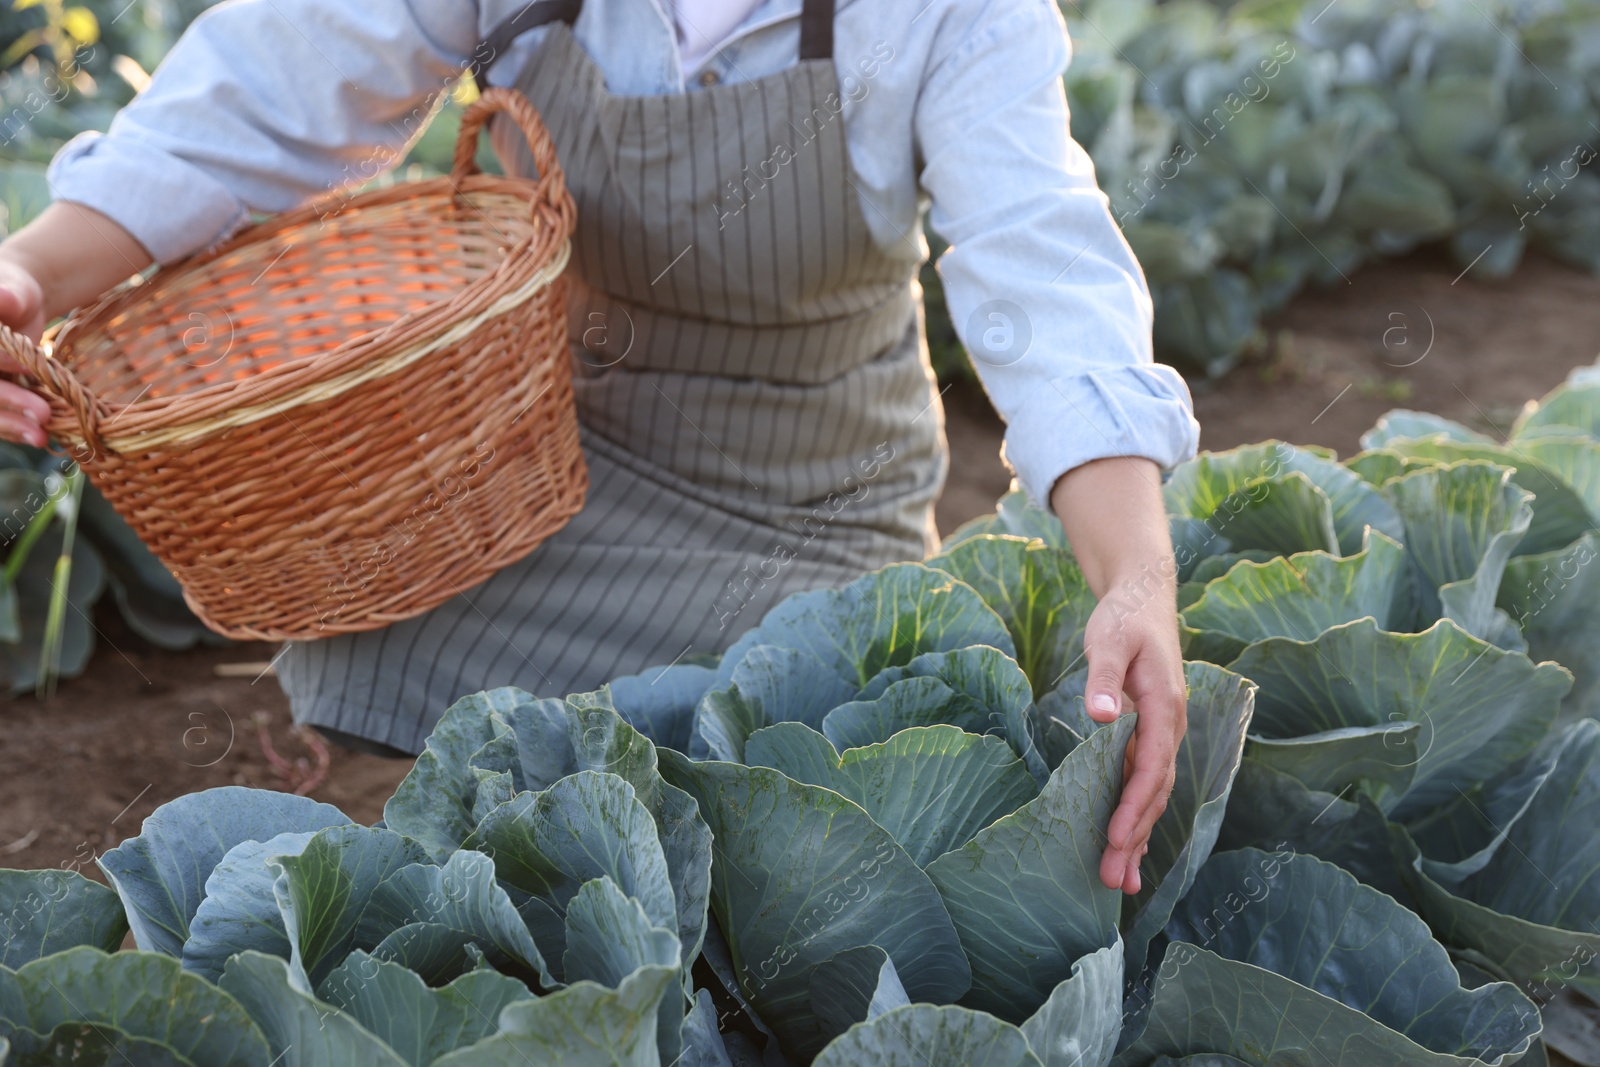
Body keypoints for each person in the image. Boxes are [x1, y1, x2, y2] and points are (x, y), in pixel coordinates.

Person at [0, 0, 1198, 893]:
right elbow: (260, 102)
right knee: (379, 619)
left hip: (806, 500)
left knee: (772, 759)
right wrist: (30, 277)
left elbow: (1040, 268)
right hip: (554, 465)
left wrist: (1134, 574)